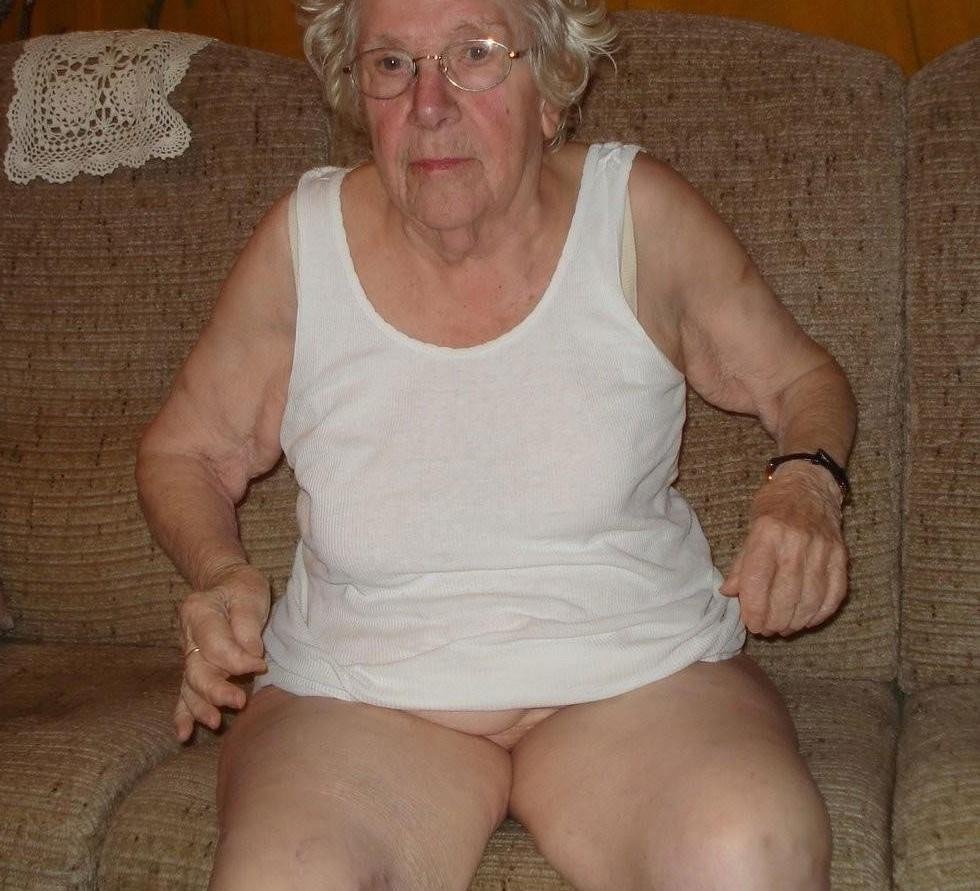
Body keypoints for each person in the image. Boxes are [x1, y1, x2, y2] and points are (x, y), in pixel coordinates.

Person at [136, 0, 856, 887]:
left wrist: (805, 486)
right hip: (362, 696)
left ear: (550, 88)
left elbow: (802, 381)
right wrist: (218, 572)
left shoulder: (637, 216)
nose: (429, 104)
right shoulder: (302, 246)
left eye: (474, 54)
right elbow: (185, 451)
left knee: (748, 852)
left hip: (637, 678)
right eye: (391, 64)